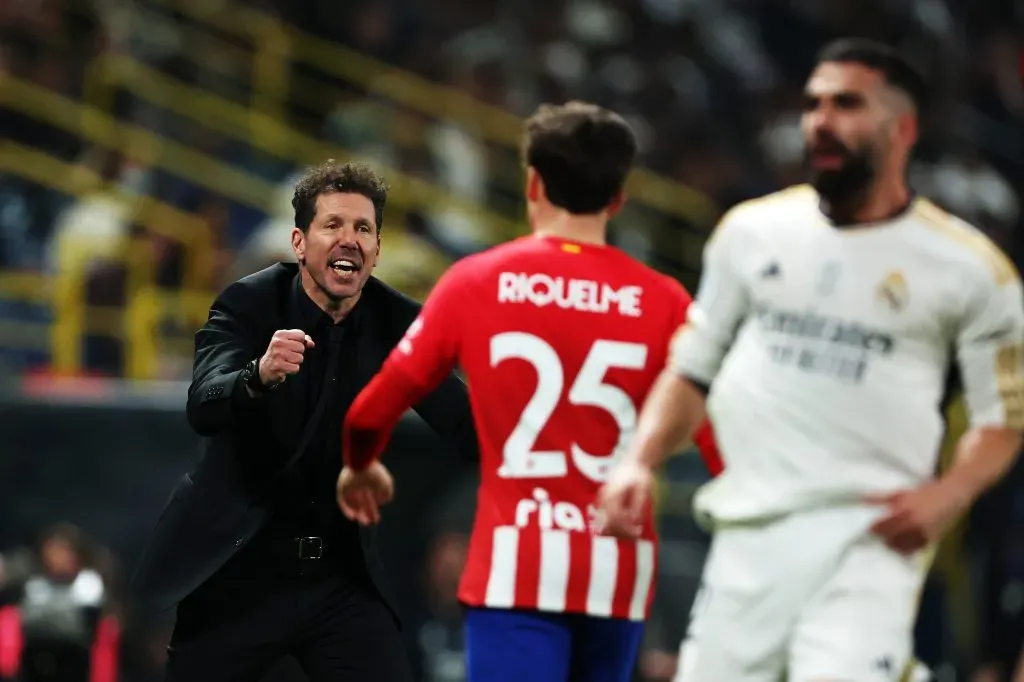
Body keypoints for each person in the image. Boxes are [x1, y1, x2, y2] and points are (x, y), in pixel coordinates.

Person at [598, 37, 1024, 682]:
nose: (820, 120)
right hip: (747, 537)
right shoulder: (751, 232)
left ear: (902, 128)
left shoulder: (969, 268)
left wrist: (949, 495)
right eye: (814, 103)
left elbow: (1003, 419)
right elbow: (692, 369)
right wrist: (639, 461)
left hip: (868, 542)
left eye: (847, 104)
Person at [336, 101, 720, 682]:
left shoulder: (477, 281)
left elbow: (372, 408)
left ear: (533, 183)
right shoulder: (666, 301)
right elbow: (719, 442)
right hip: (615, 569)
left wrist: (359, 465)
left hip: (515, 566)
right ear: (618, 198)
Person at [131, 161, 478, 682]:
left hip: (337, 576)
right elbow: (204, 403)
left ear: (377, 249)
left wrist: (542, 448)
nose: (350, 240)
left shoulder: (396, 321)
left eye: (363, 228)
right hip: (240, 567)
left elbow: (462, 421)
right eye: (333, 225)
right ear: (299, 241)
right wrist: (257, 375)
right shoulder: (248, 302)